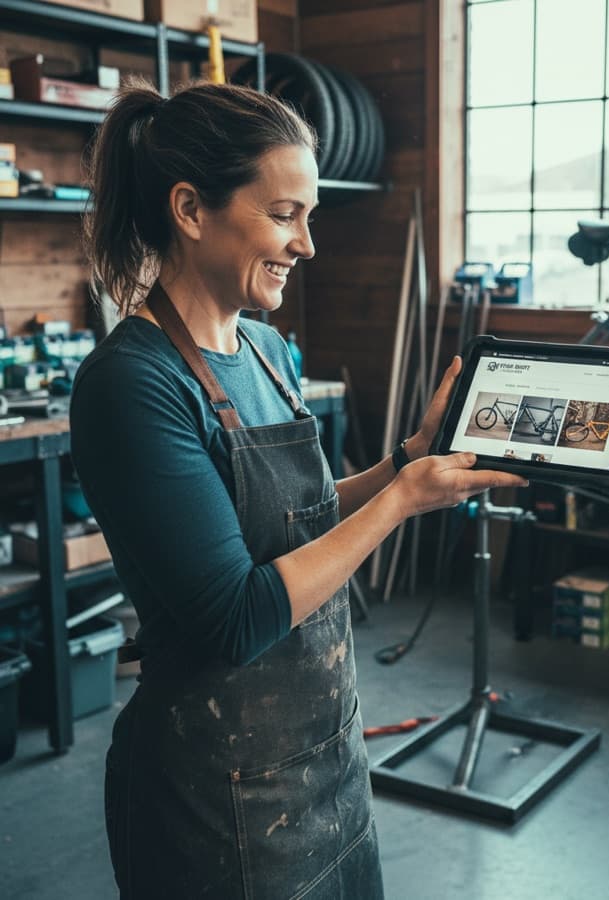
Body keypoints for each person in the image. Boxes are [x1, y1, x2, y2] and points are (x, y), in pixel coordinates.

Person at [71, 78, 526, 900]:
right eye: (284, 215)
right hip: (215, 799)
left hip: (330, 764)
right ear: (189, 208)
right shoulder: (132, 385)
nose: (307, 245)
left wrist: (399, 465)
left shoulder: (271, 355)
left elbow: (298, 525)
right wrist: (401, 502)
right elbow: (237, 616)